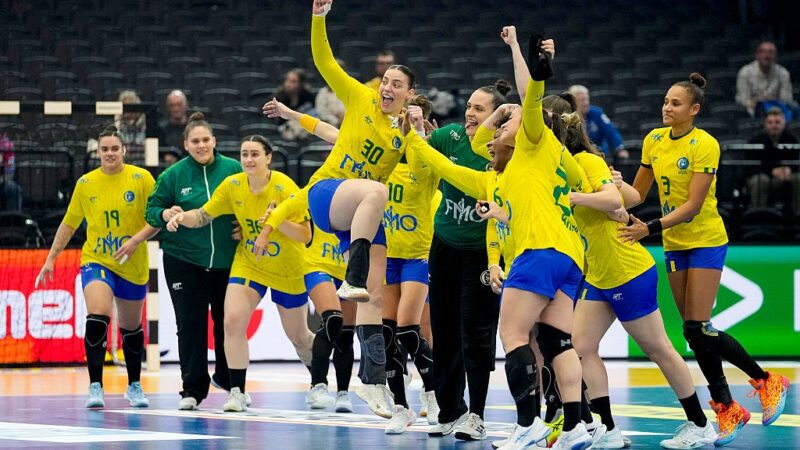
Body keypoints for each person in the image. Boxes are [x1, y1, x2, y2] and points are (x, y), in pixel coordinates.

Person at [257, 0, 420, 419]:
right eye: (386, 80)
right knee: (377, 195)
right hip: (328, 194)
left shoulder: (405, 132)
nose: (387, 87)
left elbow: (334, 132)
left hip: (361, 213)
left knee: (375, 295)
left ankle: (374, 381)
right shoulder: (360, 97)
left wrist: (417, 134)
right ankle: (353, 274)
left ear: (409, 95)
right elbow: (323, 60)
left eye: (397, 84)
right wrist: (318, 18)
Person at [619, 73, 791, 446]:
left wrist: (648, 228)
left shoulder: (705, 144)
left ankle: (766, 381)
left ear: (694, 110)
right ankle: (728, 407)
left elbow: (694, 206)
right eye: (665, 100)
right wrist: (611, 186)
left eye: (676, 103)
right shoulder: (653, 140)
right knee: (694, 332)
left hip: (705, 239)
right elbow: (637, 193)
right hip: (674, 243)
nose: (667, 107)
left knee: (698, 327)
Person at [560, 113, 718, 448]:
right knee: (581, 348)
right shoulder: (560, 170)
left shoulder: (586, 161)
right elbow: (625, 199)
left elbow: (623, 199)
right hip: (599, 274)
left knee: (658, 348)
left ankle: (700, 424)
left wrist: (587, 195)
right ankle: (610, 429)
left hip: (628, 271)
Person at [166, 135, 315, 412]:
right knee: (231, 321)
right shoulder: (233, 185)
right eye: (244, 154)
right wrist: (179, 217)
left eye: (255, 154)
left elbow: (305, 235)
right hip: (250, 262)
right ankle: (236, 391)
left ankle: (318, 382)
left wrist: (276, 223)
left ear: (268, 158)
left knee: (299, 336)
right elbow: (203, 215)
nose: (248, 159)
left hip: (287, 266)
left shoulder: (284, 187)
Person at [35, 125, 157, 408]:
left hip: (132, 262)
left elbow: (157, 216)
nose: (110, 153)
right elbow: (70, 223)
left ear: (124, 150)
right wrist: (51, 257)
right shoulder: (86, 184)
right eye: (105, 149)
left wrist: (138, 240)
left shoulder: (142, 179)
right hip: (97, 260)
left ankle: (134, 385)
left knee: (131, 328)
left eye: (115, 148)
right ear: (98, 152)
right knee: (98, 314)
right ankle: (95, 385)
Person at [145, 112, 243, 411]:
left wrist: (243, 225)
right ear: (185, 144)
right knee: (190, 325)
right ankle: (192, 389)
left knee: (229, 324)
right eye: (195, 141)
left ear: (214, 141)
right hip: (184, 260)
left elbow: (248, 201)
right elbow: (151, 210)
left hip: (227, 261)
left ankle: (230, 382)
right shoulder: (173, 175)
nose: (201, 145)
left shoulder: (233, 168)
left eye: (205, 140)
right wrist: (165, 214)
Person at [745, 107, 800, 212]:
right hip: (764, 177)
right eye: (770, 122)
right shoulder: (755, 140)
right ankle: (760, 216)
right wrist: (771, 171)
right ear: (765, 124)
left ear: (784, 123)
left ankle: (797, 216)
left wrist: (790, 169)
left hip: (787, 177)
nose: (774, 125)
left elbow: (796, 162)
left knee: (798, 178)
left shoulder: (792, 139)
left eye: (777, 122)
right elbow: (749, 168)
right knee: (761, 180)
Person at [736, 40, 797, 120]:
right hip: (752, 110)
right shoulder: (745, 72)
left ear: (775, 56)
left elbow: (786, 99)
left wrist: (770, 105)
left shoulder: (783, 73)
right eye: (763, 52)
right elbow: (744, 100)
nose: (767, 56)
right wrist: (760, 104)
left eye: (771, 52)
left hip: (777, 109)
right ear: (757, 55)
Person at [568, 84, 628, 161]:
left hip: (598, 153)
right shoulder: (567, 116)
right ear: (573, 102)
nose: (586, 103)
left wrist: (620, 149)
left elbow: (611, 131)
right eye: (582, 100)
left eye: (587, 99)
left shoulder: (597, 113)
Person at [275, 68, 317, 141]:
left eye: (293, 81)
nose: (288, 84)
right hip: (285, 133)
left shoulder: (309, 97)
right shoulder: (278, 98)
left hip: (305, 132)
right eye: (287, 80)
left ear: (301, 84)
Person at [115, 90, 147, 165]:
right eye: (125, 108)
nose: (128, 113)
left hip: (142, 165)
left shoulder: (146, 126)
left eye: (131, 108)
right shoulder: (116, 125)